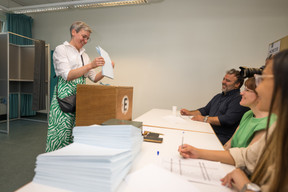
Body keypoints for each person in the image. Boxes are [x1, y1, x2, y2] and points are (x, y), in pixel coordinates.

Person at [220, 50, 288, 192]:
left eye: (263, 79)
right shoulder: (279, 126)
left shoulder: (272, 125)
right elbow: (246, 155)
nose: (259, 87)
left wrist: (245, 184)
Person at [46, 21, 113, 152]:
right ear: (73, 32)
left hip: (81, 98)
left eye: (88, 38)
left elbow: (93, 78)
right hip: (64, 99)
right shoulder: (61, 49)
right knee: (61, 134)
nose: (86, 40)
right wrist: (90, 65)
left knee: (76, 134)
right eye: (83, 36)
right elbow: (68, 75)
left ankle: (72, 163)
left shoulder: (85, 55)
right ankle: (55, 163)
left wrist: (107, 69)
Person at [180, 69, 249, 144]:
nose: (223, 82)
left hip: (221, 138)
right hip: (209, 132)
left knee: (190, 141)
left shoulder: (238, 99)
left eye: (228, 81)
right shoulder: (218, 96)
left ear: (237, 84)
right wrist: (189, 113)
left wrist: (204, 119)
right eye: (224, 79)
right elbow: (205, 110)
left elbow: (228, 119)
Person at [224, 77, 275, 150]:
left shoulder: (268, 124)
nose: (241, 93)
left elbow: (246, 158)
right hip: (230, 157)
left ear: (261, 95)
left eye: (247, 90)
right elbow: (229, 143)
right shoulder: (248, 114)